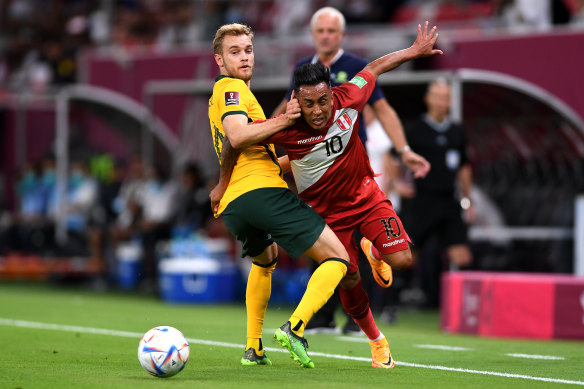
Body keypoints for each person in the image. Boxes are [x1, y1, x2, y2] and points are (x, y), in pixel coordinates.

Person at [213, 21, 443, 369]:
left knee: (403, 261)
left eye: (323, 100)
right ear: (297, 101)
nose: (318, 110)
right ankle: (376, 341)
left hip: (366, 198)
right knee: (348, 277)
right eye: (309, 104)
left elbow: (374, 67)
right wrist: (230, 178)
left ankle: (371, 247)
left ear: (331, 92)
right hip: (327, 215)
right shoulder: (286, 126)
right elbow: (238, 140)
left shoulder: (349, 95)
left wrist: (412, 51)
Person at [271, 6, 431, 333]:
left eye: (332, 31)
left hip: (354, 170)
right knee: (341, 269)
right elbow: (273, 120)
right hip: (319, 185)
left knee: (393, 259)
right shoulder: (303, 72)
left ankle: (373, 255)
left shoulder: (352, 75)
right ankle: (332, 319)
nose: (326, 36)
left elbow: (381, 96)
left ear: (342, 35)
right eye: (320, 31)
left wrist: (404, 150)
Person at [208, 23, 351, 369]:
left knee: (265, 259)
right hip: (261, 193)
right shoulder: (230, 88)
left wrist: (313, 154)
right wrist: (286, 121)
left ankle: (253, 348)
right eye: (234, 52)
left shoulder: (240, 94)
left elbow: (241, 147)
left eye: (248, 50)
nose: (243, 57)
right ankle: (296, 327)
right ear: (219, 60)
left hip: (237, 205)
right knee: (339, 258)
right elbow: (239, 136)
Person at [387, 78, 474, 307]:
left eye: (445, 97)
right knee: (407, 255)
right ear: (428, 99)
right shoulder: (415, 130)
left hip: (448, 200)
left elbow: (464, 167)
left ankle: (463, 307)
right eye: (437, 96)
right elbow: (393, 156)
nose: (441, 101)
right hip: (420, 200)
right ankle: (390, 304)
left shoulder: (456, 132)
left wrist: (468, 200)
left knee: (461, 254)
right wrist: (396, 183)